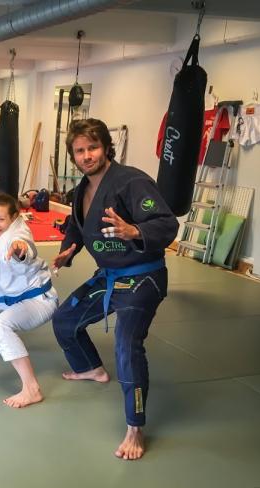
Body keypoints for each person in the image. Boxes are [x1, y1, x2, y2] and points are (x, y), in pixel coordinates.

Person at [51, 118, 178, 460]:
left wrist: (135, 231)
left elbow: (167, 223)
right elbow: (77, 227)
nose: (87, 156)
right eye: (80, 150)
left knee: (126, 345)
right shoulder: (81, 189)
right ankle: (90, 367)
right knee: (64, 320)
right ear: (73, 156)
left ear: (107, 147)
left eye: (93, 147)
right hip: (109, 276)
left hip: (142, 278)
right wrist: (68, 250)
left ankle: (135, 427)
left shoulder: (131, 181)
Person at [0, 173, 59, 408]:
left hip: (38, 300)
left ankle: (32, 389)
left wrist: (20, 251)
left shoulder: (19, 234)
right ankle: (1, 341)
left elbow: (25, 249)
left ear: (15, 217)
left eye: (0, 219)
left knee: (2, 324)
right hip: (13, 294)